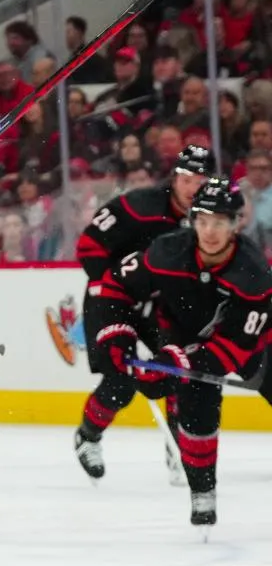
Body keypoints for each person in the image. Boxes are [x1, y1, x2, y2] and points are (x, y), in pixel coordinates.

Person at [83, 178, 272, 531]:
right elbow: (115, 285)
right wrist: (118, 335)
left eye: (219, 222)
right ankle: (203, 492)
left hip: (251, 340)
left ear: (235, 224)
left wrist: (178, 363)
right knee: (198, 404)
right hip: (180, 330)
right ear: (192, 220)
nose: (210, 231)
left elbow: (233, 348)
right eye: (203, 221)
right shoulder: (167, 251)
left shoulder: (253, 273)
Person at [71, 145, 211, 482]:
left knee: (180, 369)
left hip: (161, 304)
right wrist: (115, 288)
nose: (193, 187)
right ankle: (88, 437)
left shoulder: (207, 218)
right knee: (120, 381)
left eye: (200, 180)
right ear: (175, 177)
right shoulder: (138, 205)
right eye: (187, 178)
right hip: (113, 298)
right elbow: (88, 247)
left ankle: (179, 449)